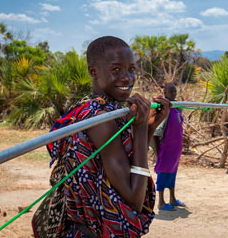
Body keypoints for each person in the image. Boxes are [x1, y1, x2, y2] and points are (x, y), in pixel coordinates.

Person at [32, 36, 171, 238]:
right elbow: (133, 198)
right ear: (93, 72)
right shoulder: (100, 118)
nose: (127, 78)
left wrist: (149, 128)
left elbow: (123, 163)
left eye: (131, 69)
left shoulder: (96, 107)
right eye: (116, 70)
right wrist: (140, 131)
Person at [152, 83, 186, 211]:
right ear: (165, 92)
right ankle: (161, 201)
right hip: (165, 147)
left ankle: (172, 198)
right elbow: (155, 131)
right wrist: (157, 150)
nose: (173, 93)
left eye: (175, 91)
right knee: (163, 172)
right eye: (171, 91)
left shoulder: (176, 107)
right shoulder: (162, 108)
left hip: (176, 148)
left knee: (173, 172)